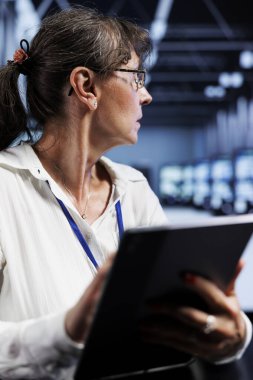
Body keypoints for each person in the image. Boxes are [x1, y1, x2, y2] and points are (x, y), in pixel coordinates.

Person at [0, 6, 251, 380]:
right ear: (86, 87)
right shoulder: (6, 189)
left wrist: (229, 335)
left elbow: (176, 314)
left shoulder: (135, 190)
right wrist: (65, 333)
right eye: (136, 77)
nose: (146, 96)